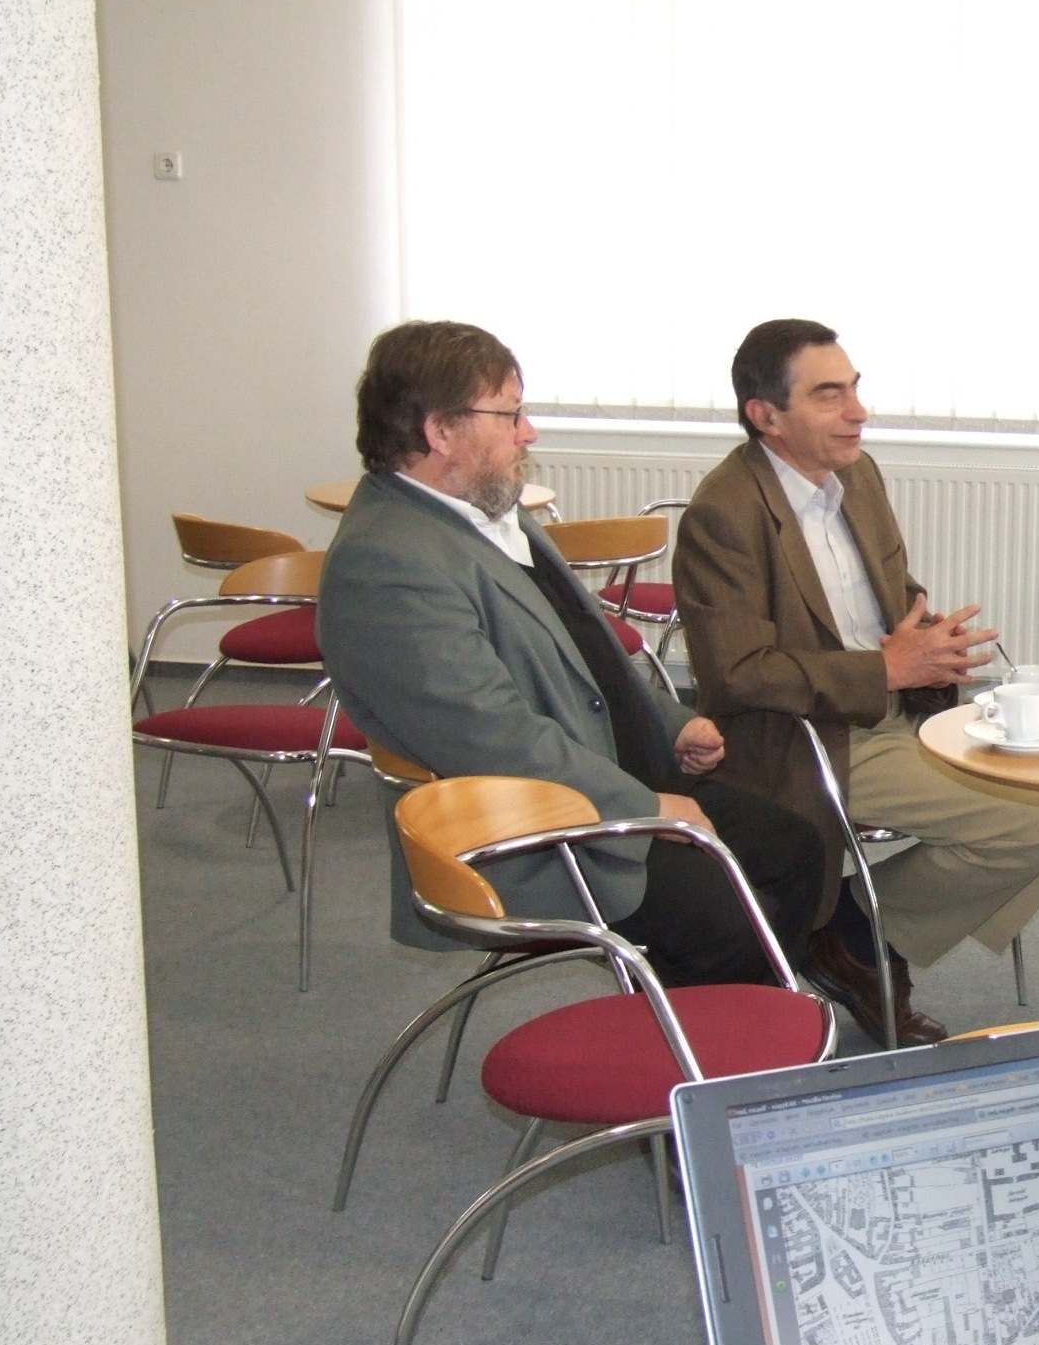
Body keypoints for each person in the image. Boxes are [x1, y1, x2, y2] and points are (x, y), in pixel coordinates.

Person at [318, 320, 824, 989]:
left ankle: (725, 1018)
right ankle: (712, 1031)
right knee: (726, 917)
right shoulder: (387, 562)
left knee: (796, 850)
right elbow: (492, 741)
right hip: (532, 831)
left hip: (604, 775)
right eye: (511, 414)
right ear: (441, 431)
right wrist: (642, 807)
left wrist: (671, 723)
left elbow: (589, 657)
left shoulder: (484, 512)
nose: (528, 432)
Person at [673, 319, 1039, 1045]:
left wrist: (931, 640)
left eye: (855, 388)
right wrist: (885, 669)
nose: (858, 411)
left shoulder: (857, 475)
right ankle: (860, 937)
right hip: (809, 740)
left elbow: (892, 595)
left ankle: (856, 931)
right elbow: (738, 675)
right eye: (829, 395)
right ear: (766, 416)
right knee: (1027, 827)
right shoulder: (725, 513)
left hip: (899, 709)